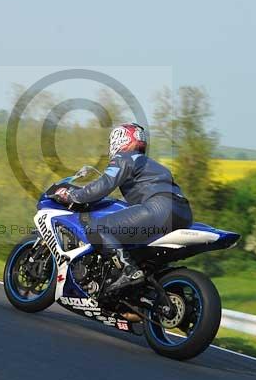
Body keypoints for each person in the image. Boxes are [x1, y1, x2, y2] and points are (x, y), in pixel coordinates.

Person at [54, 123, 192, 293]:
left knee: (98, 228)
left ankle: (128, 270)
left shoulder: (125, 157)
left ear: (120, 139)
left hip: (159, 208)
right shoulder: (152, 164)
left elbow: (104, 184)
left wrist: (73, 195)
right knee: (139, 252)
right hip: (183, 212)